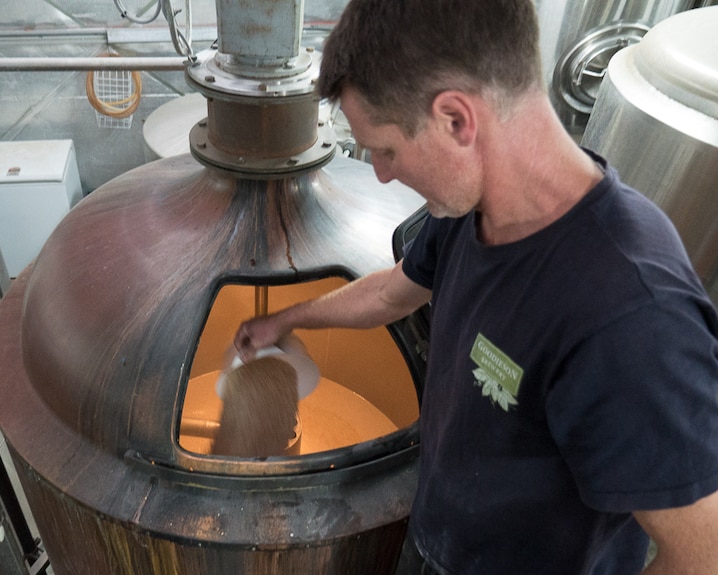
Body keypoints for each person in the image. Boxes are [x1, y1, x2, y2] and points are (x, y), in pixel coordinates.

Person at [232, 0, 718, 573]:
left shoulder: (631, 314)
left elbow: (700, 552)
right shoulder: (469, 208)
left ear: (456, 120)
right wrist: (288, 320)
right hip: (438, 540)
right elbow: (394, 292)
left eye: (385, 150)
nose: (382, 173)